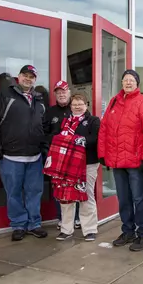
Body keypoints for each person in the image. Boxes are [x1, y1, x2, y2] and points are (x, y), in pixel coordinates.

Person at [0, 65, 48, 241]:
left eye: (32, 77)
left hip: (34, 157)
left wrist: (43, 149)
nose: (28, 79)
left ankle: (34, 224)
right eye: (25, 75)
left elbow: (43, 127)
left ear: (35, 79)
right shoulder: (4, 96)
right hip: (10, 156)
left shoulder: (39, 99)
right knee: (13, 193)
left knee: (34, 192)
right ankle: (19, 225)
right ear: (18, 77)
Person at [98, 69, 143, 252]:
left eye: (131, 80)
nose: (128, 83)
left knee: (139, 199)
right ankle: (128, 231)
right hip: (117, 162)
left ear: (137, 83)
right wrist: (103, 154)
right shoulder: (114, 101)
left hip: (136, 163)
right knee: (123, 199)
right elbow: (104, 128)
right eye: (125, 80)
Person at [46, 94, 100, 242]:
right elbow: (55, 137)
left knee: (86, 196)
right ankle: (66, 229)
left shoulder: (93, 121)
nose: (77, 106)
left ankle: (89, 230)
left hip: (87, 164)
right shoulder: (65, 122)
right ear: (70, 106)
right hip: (65, 165)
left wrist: (76, 140)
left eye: (80, 104)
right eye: (74, 104)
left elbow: (95, 139)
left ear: (86, 105)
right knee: (66, 197)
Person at [44, 81, 80, 230]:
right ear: (55, 94)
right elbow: (43, 133)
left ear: (69, 92)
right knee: (58, 188)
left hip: (74, 157)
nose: (61, 94)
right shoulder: (50, 112)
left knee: (76, 187)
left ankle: (77, 218)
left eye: (64, 91)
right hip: (56, 158)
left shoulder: (76, 109)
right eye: (58, 92)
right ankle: (62, 218)